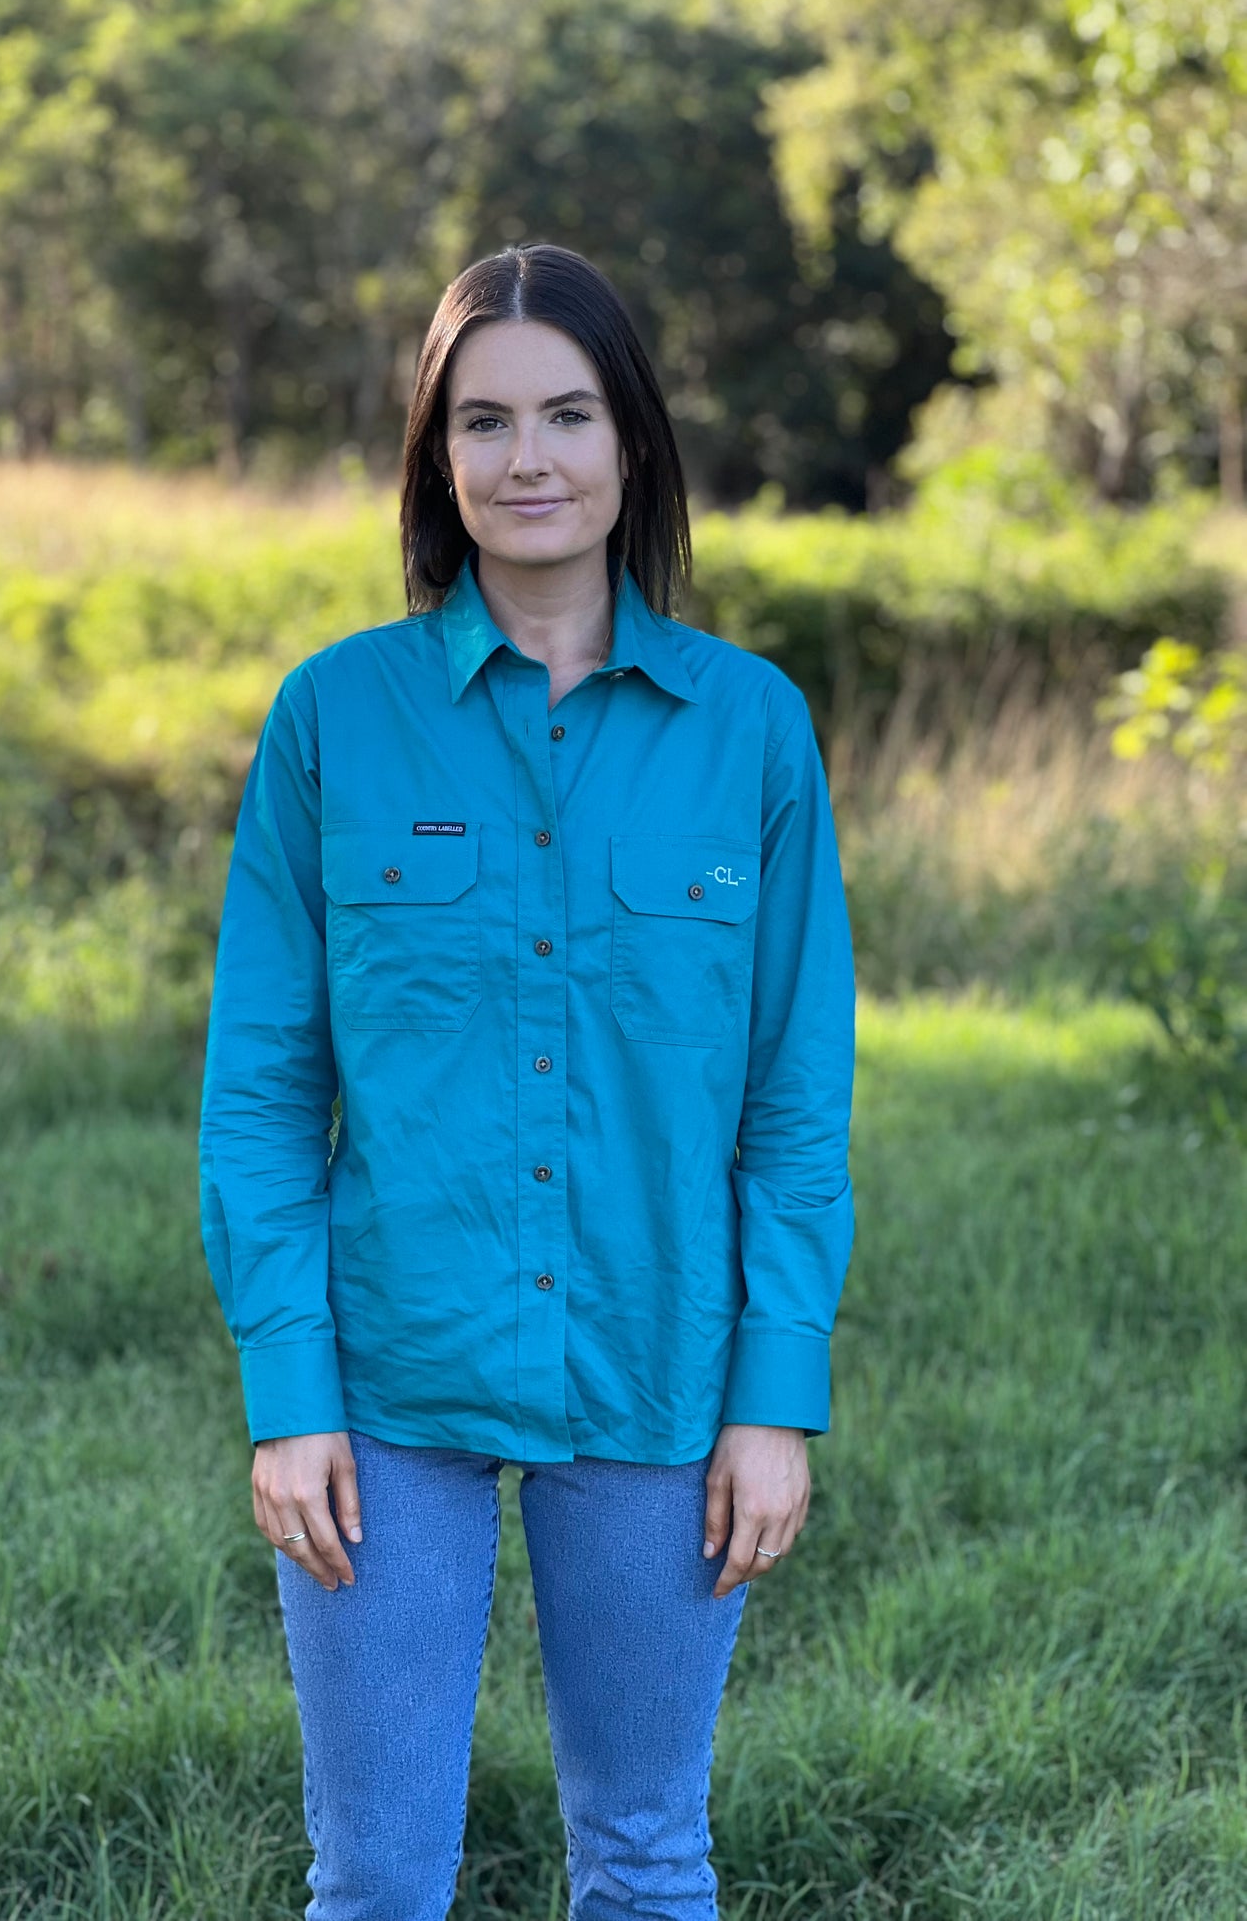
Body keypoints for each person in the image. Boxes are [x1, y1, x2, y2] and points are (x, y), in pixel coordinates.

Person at [198, 240, 856, 1920]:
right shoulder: (332, 719)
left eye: (567, 413)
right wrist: (289, 1388)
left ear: (631, 441)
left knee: (645, 1857)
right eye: (481, 422)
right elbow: (263, 1089)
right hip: (385, 1378)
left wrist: (771, 1392)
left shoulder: (751, 729)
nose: (528, 459)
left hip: (657, 1360)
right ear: (435, 458)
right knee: (375, 1877)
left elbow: (791, 1094)